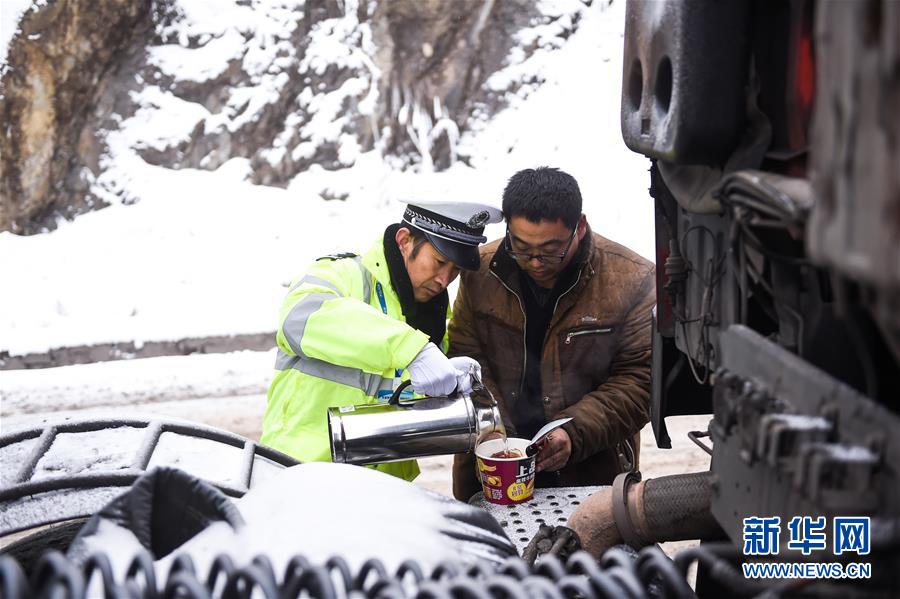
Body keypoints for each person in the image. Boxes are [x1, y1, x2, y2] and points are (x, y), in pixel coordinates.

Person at [448, 167, 655, 500]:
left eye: (551, 249)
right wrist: (492, 430)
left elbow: (641, 381)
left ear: (580, 226)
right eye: (522, 247)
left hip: (592, 469)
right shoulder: (480, 271)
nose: (535, 262)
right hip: (493, 470)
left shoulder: (631, 279)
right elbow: (466, 361)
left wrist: (574, 431)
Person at [262, 199, 502, 481]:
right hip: (301, 474)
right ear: (404, 241)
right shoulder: (345, 275)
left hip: (381, 486)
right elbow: (298, 319)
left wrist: (448, 383)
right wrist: (412, 350)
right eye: (439, 262)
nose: (444, 279)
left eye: (456, 271)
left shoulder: (431, 315)